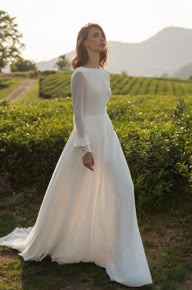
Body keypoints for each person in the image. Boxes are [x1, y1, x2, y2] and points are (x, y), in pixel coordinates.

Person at [0, 23, 153, 287]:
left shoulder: (104, 74)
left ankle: (118, 251)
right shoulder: (80, 74)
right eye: (95, 35)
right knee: (76, 192)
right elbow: (78, 113)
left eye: (103, 34)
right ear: (83, 42)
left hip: (107, 133)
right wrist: (84, 148)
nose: (101, 38)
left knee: (124, 188)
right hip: (88, 138)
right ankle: (74, 241)